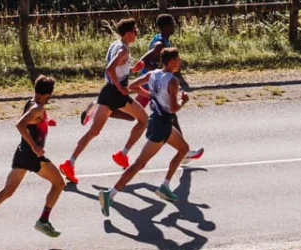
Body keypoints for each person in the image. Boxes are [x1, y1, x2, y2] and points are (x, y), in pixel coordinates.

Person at [0, 75, 64, 244]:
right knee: (59, 183)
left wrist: (47, 123)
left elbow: (32, 123)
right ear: (47, 95)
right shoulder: (38, 109)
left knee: (8, 191)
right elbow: (20, 124)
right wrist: (35, 146)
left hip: (21, 154)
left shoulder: (31, 103)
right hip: (32, 156)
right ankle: (43, 220)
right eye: (50, 96)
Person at [98, 47, 192, 214]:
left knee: (184, 149)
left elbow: (133, 86)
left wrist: (152, 95)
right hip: (162, 125)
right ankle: (109, 195)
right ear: (171, 63)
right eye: (178, 60)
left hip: (159, 121)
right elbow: (173, 108)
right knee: (139, 164)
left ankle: (165, 186)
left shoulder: (153, 74)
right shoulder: (173, 81)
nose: (180, 63)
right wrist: (183, 101)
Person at [58, 18, 148, 186]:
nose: (137, 34)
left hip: (107, 91)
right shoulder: (123, 50)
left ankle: (69, 163)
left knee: (94, 131)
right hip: (115, 93)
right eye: (135, 31)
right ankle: (123, 154)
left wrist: (133, 69)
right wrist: (120, 88)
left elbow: (117, 68)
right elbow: (110, 69)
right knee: (143, 120)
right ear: (128, 34)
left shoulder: (116, 45)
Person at [137, 14, 203, 163]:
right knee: (130, 113)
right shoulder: (160, 43)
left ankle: (184, 151)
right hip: (152, 84)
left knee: (170, 116)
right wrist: (156, 72)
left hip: (154, 83)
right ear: (166, 26)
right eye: (172, 23)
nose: (174, 26)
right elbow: (143, 61)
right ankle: (99, 107)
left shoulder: (162, 40)